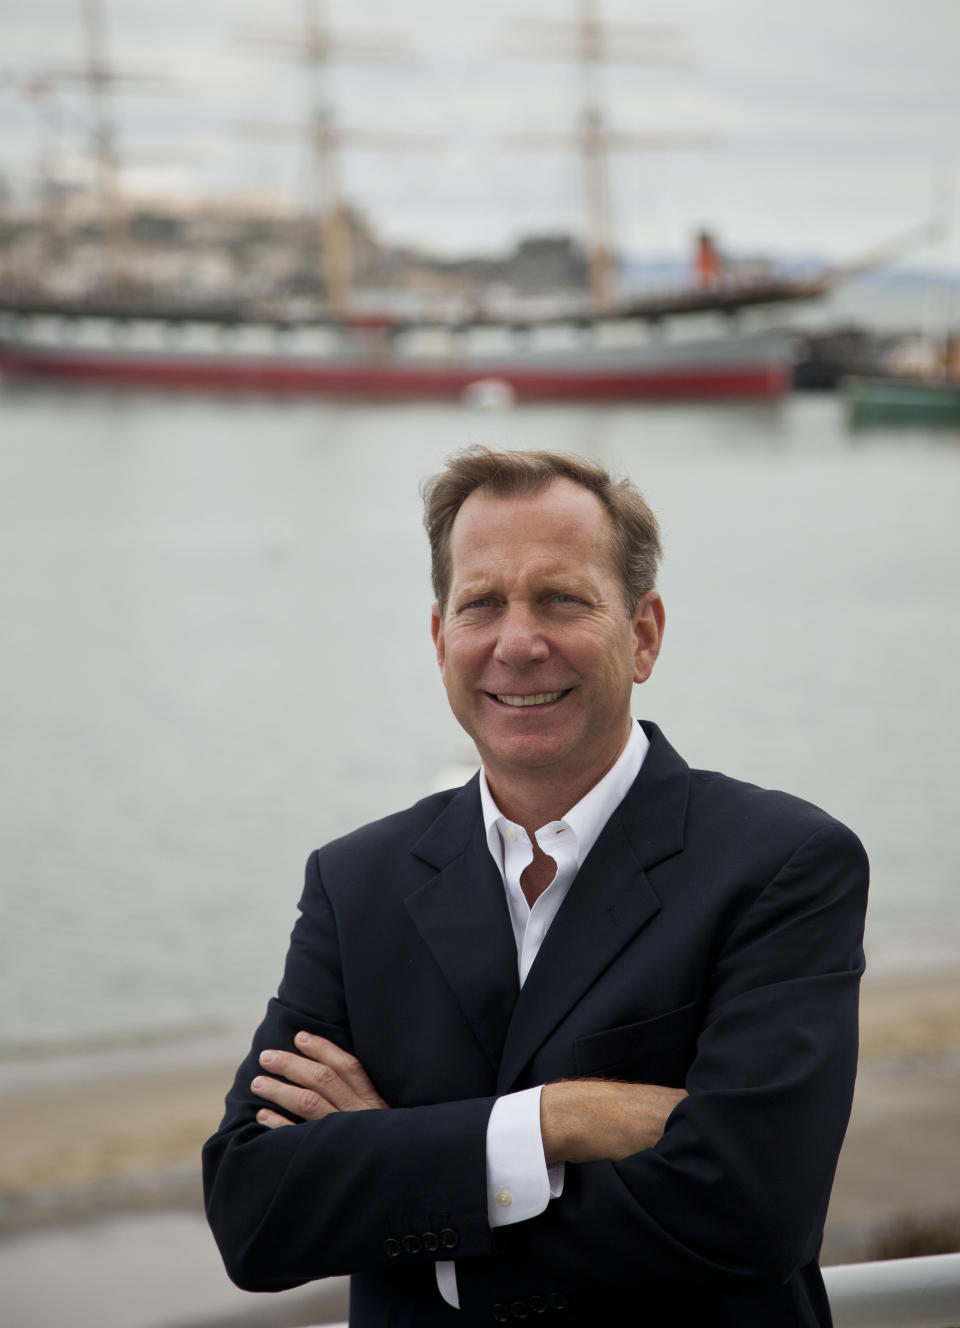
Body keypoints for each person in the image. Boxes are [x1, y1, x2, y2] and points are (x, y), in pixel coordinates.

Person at [203, 447, 868, 1327]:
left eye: (562, 598)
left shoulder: (785, 866)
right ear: (440, 639)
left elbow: (752, 1211)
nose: (518, 643)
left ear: (644, 635)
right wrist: (560, 1119)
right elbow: (255, 1212)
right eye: (482, 604)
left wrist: (398, 1169)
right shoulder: (355, 882)